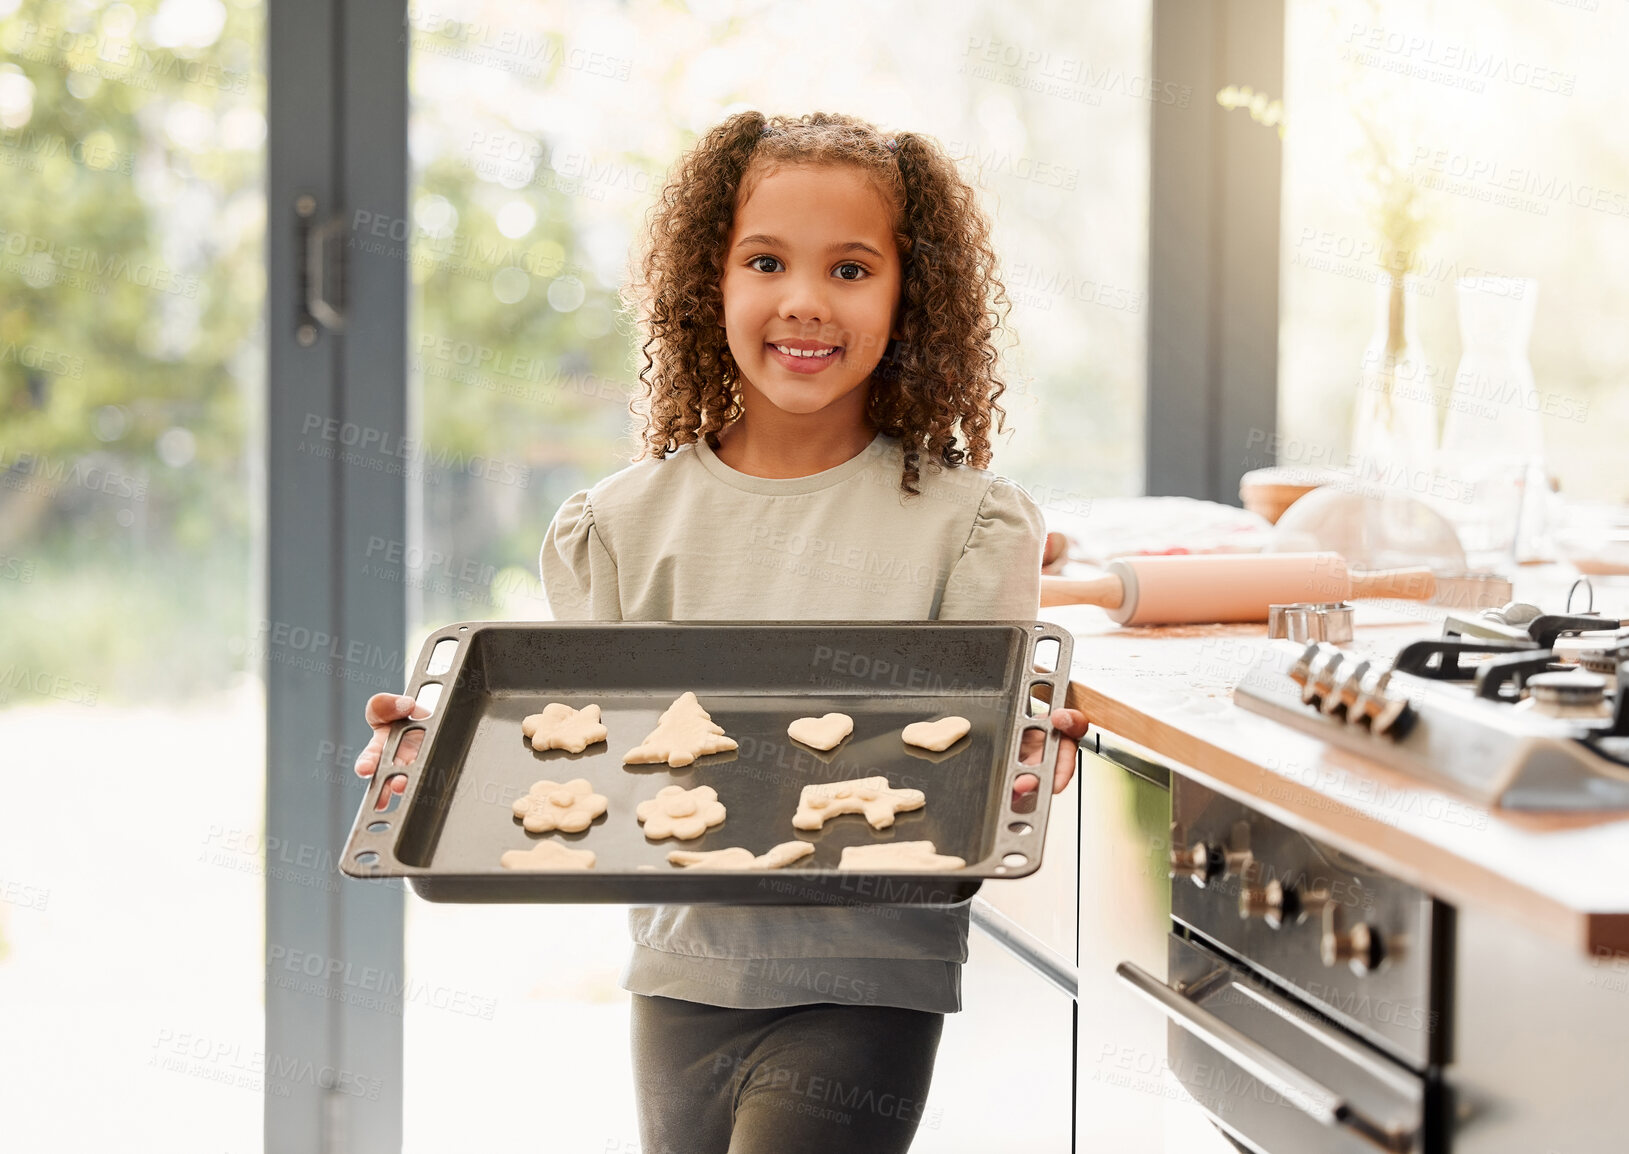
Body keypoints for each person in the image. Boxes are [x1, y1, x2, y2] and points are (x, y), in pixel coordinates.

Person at [355, 109, 1089, 1154]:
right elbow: (595, 758)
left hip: (865, 978)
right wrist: (436, 762)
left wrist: (1022, 767)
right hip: (679, 968)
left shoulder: (969, 524)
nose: (803, 300)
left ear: (909, 294)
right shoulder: (615, 527)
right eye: (765, 260)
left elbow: (979, 760)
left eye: (850, 268)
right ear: (712, 281)